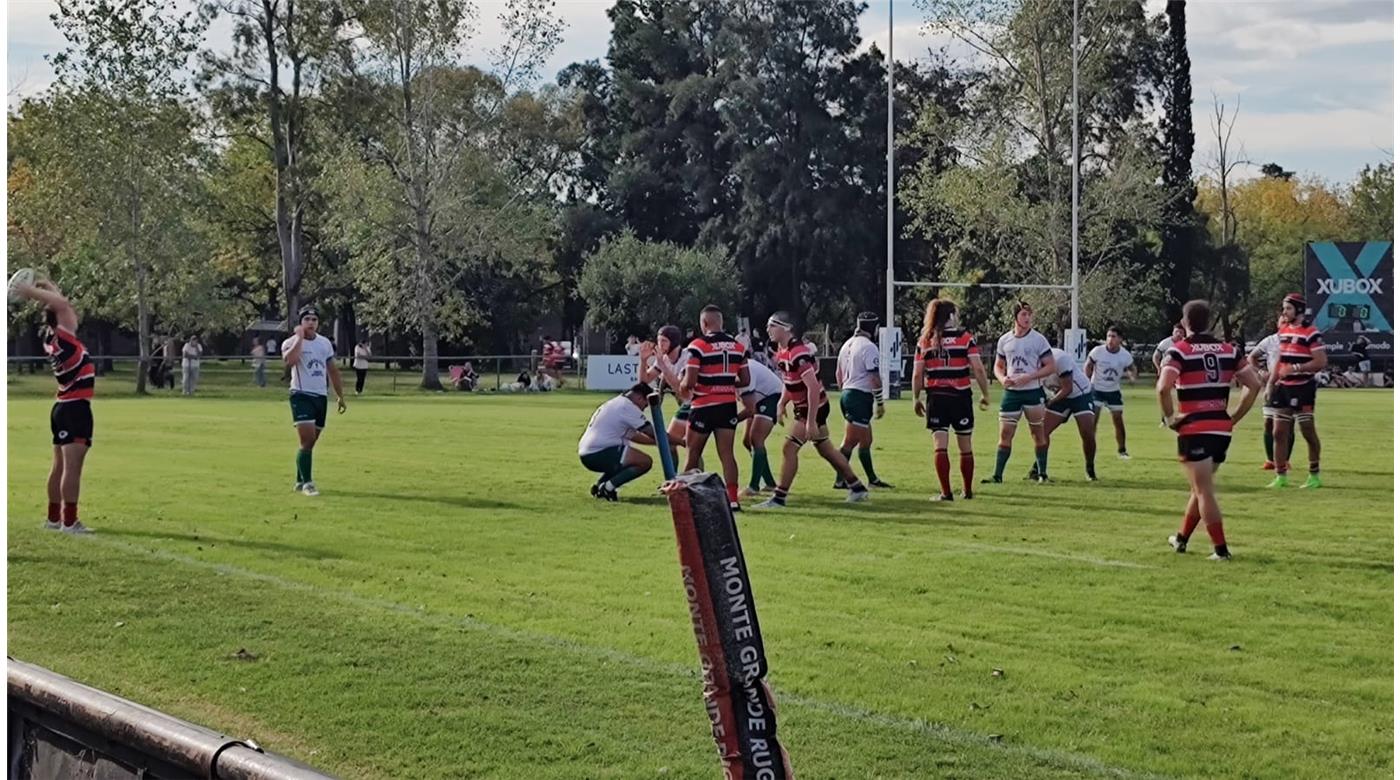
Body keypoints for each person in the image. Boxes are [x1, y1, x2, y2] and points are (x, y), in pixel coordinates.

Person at [1161, 300, 1261, 561]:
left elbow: (1163, 387)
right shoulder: (1229, 350)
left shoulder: (1179, 350)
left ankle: (1221, 550)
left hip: (1194, 427)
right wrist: (1234, 417)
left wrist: (1170, 419)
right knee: (1200, 488)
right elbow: (1254, 385)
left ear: (1184, 322)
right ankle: (1181, 539)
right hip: (1221, 429)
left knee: (1204, 490)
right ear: (1209, 321)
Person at [754, 312, 869, 508]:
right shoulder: (784, 350)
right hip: (809, 406)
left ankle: (779, 497)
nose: (768, 329)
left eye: (772, 325)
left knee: (789, 448)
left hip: (812, 407)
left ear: (787, 328)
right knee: (825, 449)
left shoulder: (798, 352)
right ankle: (857, 487)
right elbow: (790, 381)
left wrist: (810, 421)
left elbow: (813, 387)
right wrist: (782, 403)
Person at [11, 278, 96, 534]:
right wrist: (31, 291)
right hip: (75, 408)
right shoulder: (65, 334)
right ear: (61, 316)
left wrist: (48, 286)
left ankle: (53, 518)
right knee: (72, 469)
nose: (73, 312)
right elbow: (62, 304)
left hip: (62, 408)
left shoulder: (53, 337)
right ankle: (69, 522)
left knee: (59, 467)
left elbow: (60, 304)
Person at [912, 299, 990, 502]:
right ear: (952, 316)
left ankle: (946, 493)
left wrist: (916, 398)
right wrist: (985, 393)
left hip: (936, 398)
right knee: (965, 444)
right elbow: (978, 368)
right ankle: (967, 491)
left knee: (940, 445)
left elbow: (917, 374)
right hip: (960, 397)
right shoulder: (965, 338)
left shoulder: (925, 340)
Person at [680, 305, 750, 511]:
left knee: (693, 453)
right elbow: (746, 379)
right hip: (727, 405)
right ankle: (733, 500)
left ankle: (685, 499)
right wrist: (725, 383)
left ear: (704, 323)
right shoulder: (738, 346)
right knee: (727, 454)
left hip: (703, 405)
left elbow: (690, 382)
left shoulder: (698, 345)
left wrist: (682, 384)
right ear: (721, 322)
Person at [983, 301, 1057, 484]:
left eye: (1029, 314)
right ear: (1015, 316)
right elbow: (998, 366)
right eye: (1024, 314)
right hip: (1012, 394)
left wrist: (1029, 377)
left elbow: (1050, 366)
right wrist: (1002, 379)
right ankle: (997, 476)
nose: (1027, 318)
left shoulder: (1038, 339)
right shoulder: (1005, 340)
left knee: (1037, 433)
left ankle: (1042, 474)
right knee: (1005, 434)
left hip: (1033, 392)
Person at [282, 306, 347, 496]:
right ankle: (308, 484)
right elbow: (290, 361)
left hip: (320, 396)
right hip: (301, 395)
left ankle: (299, 480)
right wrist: (299, 338)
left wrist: (340, 396)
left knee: (310, 443)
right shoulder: (291, 342)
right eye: (307, 319)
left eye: (314, 319)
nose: (311, 323)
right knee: (307, 440)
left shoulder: (324, 343)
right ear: (301, 322)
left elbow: (332, 370)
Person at [1267, 293, 1326, 489]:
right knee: (1278, 432)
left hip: (1303, 387)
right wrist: (1271, 382)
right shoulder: (1283, 330)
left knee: (1307, 430)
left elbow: (1320, 361)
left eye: (1288, 308)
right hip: (1283, 387)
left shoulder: (1311, 332)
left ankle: (1314, 475)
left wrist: (1296, 368)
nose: (1284, 312)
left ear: (1299, 310)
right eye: (1284, 308)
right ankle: (1280, 476)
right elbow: (1280, 359)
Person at [834, 311, 893, 489]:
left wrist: (845, 392)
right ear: (874, 328)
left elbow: (838, 374)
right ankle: (839, 480)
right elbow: (874, 377)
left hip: (848, 393)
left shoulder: (846, 344)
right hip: (859, 396)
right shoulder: (869, 347)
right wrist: (880, 402)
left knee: (866, 440)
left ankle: (872, 479)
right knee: (849, 442)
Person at [579, 383, 658, 501]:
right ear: (639, 398)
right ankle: (608, 487)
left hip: (588, 452)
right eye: (645, 405)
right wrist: (680, 441)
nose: (643, 409)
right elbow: (653, 433)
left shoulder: (618, 402)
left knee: (629, 459)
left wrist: (658, 443)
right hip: (598, 452)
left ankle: (601, 485)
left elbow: (634, 436)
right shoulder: (627, 407)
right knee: (644, 462)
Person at [1039, 341, 1099, 481]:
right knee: (1042, 432)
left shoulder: (1059, 358)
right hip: (1058, 394)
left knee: (1087, 432)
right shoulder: (1029, 363)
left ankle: (1090, 468)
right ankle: (1039, 468)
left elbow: (1068, 388)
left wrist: (1050, 402)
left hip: (1080, 394)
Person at [639, 324, 691, 463]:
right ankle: (673, 474)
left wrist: (662, 365)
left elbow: (681, 389)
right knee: (671, 444)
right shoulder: (664, 359)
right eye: (658, 340)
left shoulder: (687, 356)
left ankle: (695, 474)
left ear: (674, 342)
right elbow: (644, 381)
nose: (659, 344)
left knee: (692, 447)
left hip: (698, 403)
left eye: (664, 341)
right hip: (688, 404)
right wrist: (643, 361)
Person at [1249, 316, 1294, 471]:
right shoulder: (1270, 341)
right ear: (1278, 324)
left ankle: (1285, 460)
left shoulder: (1298, 341)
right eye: (1283, 322)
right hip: (1273, 386)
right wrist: (1261, 372)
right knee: (1268, 422)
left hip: (1291, 386)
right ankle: (1270, 460)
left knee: (1288, 424)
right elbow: (1252, 357)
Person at [1085, 325, 1137, 459]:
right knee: (1093, 419)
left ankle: (1122, 450)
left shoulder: (1124, 355)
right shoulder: (1098, 351)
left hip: (1113, 391)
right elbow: (1088, 365)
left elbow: (1132, 368)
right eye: (1108, 336)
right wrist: (1087, 380)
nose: (1110, 339)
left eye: (1113, 336)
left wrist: (1132, 377)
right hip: (1096, 389)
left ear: (1120, 339)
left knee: (1118, 421)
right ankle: (1090, 449)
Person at [738, 349, 785, 496]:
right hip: (760, 398)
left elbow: (750, 409)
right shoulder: (737, 370)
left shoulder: (746, 371)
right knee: (747, 441)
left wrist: (731, 420)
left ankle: (754, 486)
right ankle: (770, 483)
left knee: (756, 439)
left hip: (771, 396)